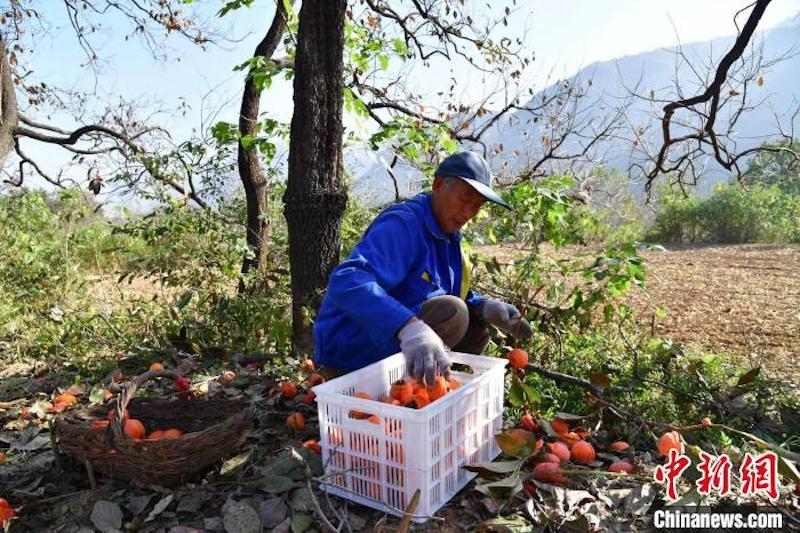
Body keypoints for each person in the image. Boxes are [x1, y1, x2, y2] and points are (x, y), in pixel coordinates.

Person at [313, 151, 532, 384]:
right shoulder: (403, 225)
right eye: (465, 200)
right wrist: (408, 327)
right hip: (349, 350)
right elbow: (346, 280)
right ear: (438, 185)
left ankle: (429, 390)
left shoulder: (449, 238)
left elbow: (439, 292)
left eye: (476, 206)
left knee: (476, 327)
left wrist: (484, 307)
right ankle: (397, 389)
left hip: (385, 345)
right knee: (453, 312)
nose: (468, 213)